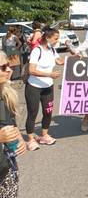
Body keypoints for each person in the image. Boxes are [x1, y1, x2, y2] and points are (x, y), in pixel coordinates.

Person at [24, 29, 64, 151]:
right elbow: (31, 70)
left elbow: (59, 61)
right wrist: (49, 74)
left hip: (48, 87)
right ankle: (30, 139)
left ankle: (44, 135)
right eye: (56, 38)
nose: (58, 40)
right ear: (47, 38)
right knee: (33, 113)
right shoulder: (37, 50)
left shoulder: (52, 50)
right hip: (34, 87)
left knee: (48, 112)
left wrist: (74, 58)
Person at [0, 49, 26, 196]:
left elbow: (11, 124)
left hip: (6, 166)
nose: (9, 69)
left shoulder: (6, 93)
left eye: (8, 65)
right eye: (3, 67)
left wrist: (20, 139)